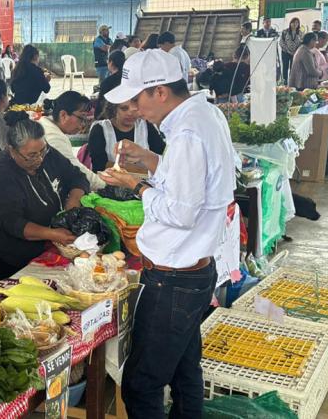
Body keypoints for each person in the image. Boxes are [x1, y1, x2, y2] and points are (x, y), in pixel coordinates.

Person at [98, 49, 236, 418]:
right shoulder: (204, 114)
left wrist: (135, 185)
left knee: (142, 384)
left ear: (160, 92)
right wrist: (148, 159)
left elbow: (181, 211)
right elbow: (191, 181)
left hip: (173, 280)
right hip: (192, 272)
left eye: (138, 98)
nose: (134, 109)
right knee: (184, 371)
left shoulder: (188, 132)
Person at [0, 111, 89, 279]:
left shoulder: (48, 154)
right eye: (31, 156)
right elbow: (13, 223)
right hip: (9, 254)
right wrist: (53, 234)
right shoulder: (1, 175)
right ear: (12, 151)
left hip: (46, 244)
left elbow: (77, 177)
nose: (39, 159)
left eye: (42, 151)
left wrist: (72, 204)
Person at [39, 91, 104, 191]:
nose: (83, 125)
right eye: (81, 118)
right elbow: (77, 172)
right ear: (63, 115)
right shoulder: (54, 138)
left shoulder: (46, 125)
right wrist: (107, 186)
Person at [88, 96, 165, 173]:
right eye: (124, 109)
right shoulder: (100, 129)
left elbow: (160, 155)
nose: (130, 113)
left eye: (135, 109)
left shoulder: (146, 126)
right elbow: (98, 167)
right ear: (114, 108)